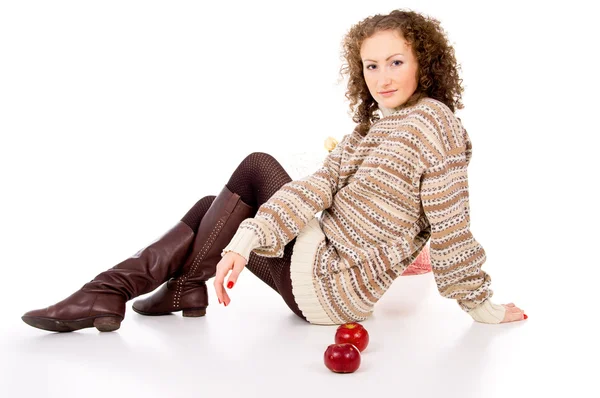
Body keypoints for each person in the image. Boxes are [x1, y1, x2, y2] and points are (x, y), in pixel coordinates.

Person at [22, 8, 526, 333]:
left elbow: (451, 224)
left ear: (425, 63)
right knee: (209, 210)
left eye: (395, 62)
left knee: (255, 169)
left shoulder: (435, 125)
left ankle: (122, 291)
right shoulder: (370, 129)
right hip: (316, 272)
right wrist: (244, 239)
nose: (382, 78)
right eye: (371, 66)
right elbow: (315, 190)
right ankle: (157, 291)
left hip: (334, 281)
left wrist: (481, 306)